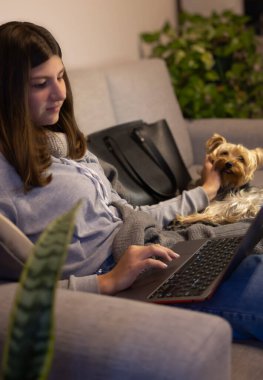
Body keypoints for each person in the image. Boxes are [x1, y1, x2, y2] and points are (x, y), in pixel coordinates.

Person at [0, 21, 262, 341]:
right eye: (40, 83)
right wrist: (107, 281)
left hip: (152, 249)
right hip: (128, 287)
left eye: (60, 77)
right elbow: (10, 294)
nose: (60, 93)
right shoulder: (5, 177)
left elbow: (133, 215)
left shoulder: (67, 146)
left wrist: (205, 192)